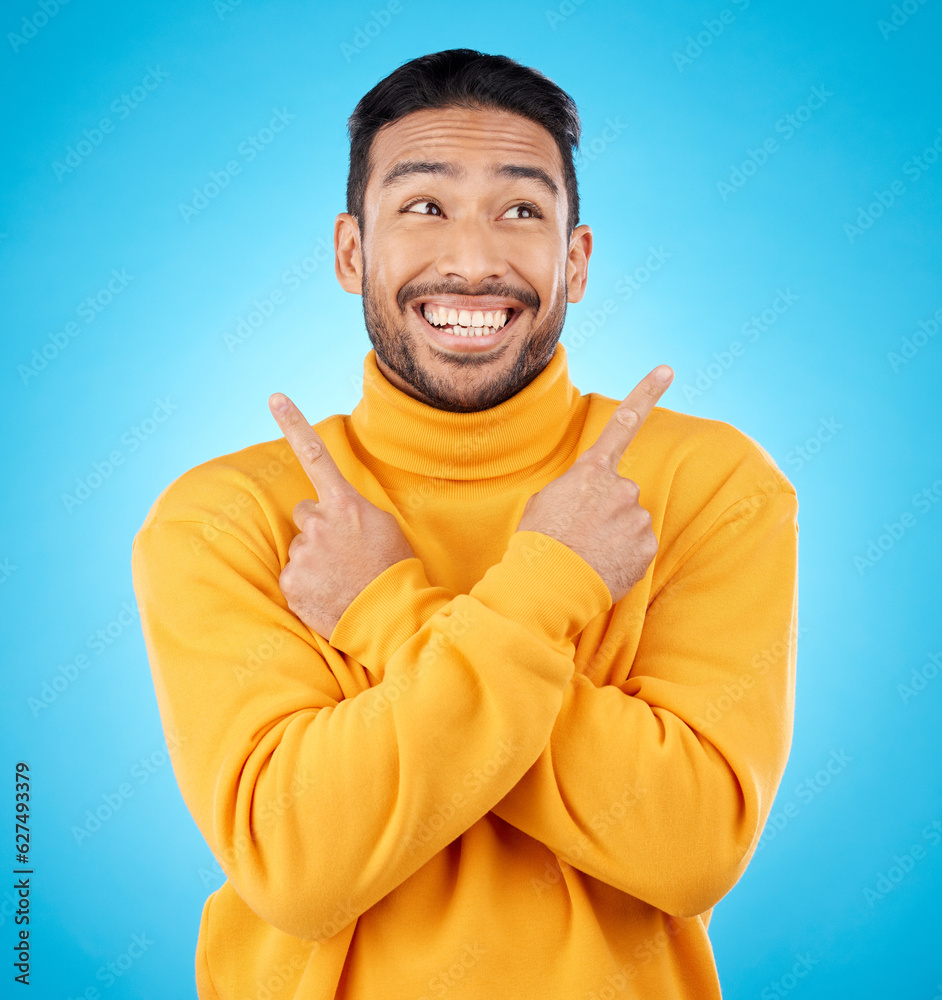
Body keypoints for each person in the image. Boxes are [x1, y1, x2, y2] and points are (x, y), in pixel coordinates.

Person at [132, 47, 799, 1000]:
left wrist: (386, 609)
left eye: (522, 210)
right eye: (424, 206)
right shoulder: (225, 516)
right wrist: (549, 588)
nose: (475, 261)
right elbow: (296, 866)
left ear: (574, 259)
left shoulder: (704, 482)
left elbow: (689, 847)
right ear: (349, 251)